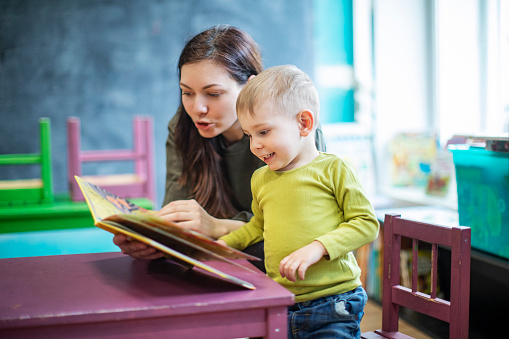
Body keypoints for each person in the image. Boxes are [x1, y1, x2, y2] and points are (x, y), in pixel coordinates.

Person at [113, 25, 326, 266]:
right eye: (187, 93)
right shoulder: (184, 127)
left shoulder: (293, 133)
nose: (197, 108)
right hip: (216, 263)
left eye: (213, 94)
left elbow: (297, 227)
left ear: (249, 86)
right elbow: (179, 213)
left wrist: (216, 227)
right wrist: (156, 239)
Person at [217, 65, 379, 338]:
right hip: (279, 301)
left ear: (304, 123)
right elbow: (258, 226)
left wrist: (318, 248)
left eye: (264, 132)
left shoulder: (334, 169)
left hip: (333, 302)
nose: (254, 145)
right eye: (249, 135)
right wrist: (222, 245)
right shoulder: (261, 179)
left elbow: (366, 224)